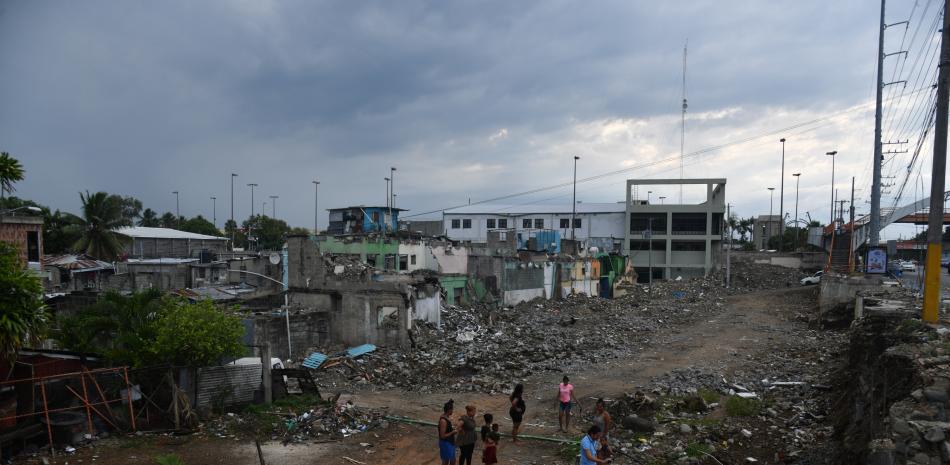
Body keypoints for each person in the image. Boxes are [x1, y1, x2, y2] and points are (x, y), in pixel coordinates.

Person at [438, 400, 458, 465]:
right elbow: (442, 436)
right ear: (449, 410)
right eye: (452, 410)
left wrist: (452, 429)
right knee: (446, 461)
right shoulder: (443, 421)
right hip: (445, 443)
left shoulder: (446, 417)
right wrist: (452, 432)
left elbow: (447, 429)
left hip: (449, 442)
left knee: (452, 460)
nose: (453, 411)